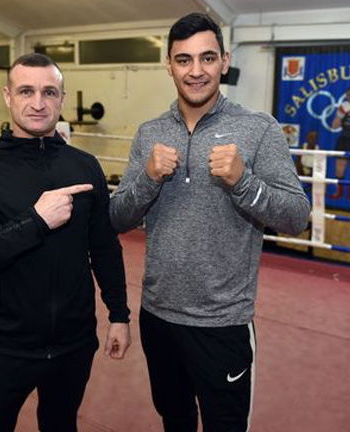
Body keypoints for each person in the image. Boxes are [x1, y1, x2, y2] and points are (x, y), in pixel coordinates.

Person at [110, 13, 310, 432]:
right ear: (169, 65)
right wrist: (148, 178)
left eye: (206, 58)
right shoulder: (150, 133)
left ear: (224, 60)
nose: (195, 71)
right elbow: (119, 217)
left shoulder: (259, 130)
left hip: (223, 323)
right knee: (175, 419)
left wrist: (243, 181)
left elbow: (297, 218)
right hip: (158, 316)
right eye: (183, 60)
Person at [0, 53, 131, 432]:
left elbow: (104, 247)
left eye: (49, 92)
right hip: (3, 346)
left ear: (61, 98)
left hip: (73, 342)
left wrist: (118, 314)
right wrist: (36, 221)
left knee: (61, 425)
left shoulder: (85, 166)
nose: (37, 103)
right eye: (26, 91)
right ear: (7, 96)